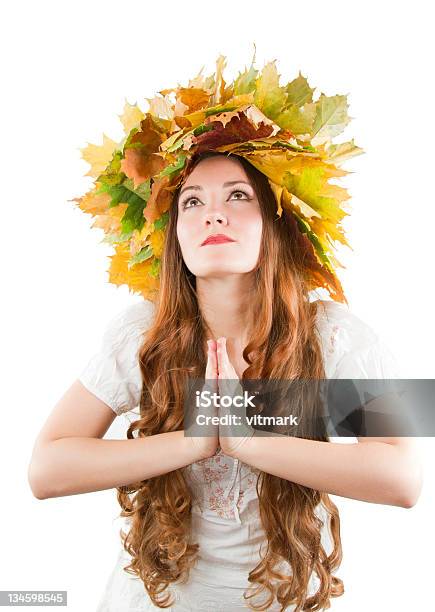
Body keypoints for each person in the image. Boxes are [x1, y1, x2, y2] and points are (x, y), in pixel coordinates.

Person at [27, 56, 423, 611]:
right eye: (193, 202)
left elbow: (404, 477)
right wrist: (194, 440)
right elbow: (46, 469)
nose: (215, 215)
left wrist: (247, 440)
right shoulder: (143, 334)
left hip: (282, 600)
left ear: (275, 224)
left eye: (238, 196)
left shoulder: (336, 334)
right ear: (175, 239)